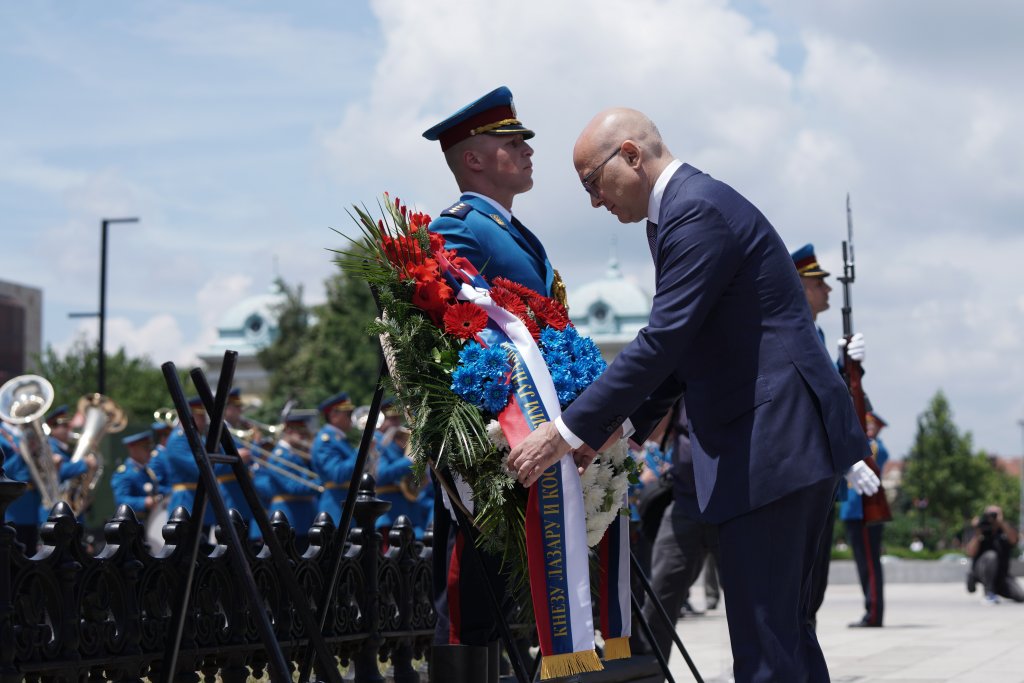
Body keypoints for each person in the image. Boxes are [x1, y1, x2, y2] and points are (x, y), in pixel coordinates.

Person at [508, 107, 871, 682]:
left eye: (592, 182)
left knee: (767, 648)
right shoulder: (680, 214)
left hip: (771, 445)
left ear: (630, 155)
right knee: (783, 639)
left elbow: (664, 341)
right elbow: (688, 349)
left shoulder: (694, 210)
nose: (595, 202)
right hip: (778, 444)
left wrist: (567, 430)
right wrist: (619, 431)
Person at [422, 85, 554, 667]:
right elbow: (454, 330)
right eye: (512, 142)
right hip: (494, 434)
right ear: (473, 159)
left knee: (509, 598)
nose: (527, 150)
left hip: (531, 431)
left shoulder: (509, 229)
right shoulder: (458, 229)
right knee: (473, 598)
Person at [790, 244, 878, 630]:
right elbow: (814, 401)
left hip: (823, 476)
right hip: (805, 475)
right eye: (818, 283)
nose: (827, 289)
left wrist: (846, 365)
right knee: (802, 588)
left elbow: (836, 394)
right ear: (799, 286)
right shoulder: (796, 331)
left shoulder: (817, 331)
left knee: (814, 588)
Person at [841, 410, 890, 625]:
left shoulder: (875, 446)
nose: (868, 428)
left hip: (867, 511)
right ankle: (871, 609)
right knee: (863, 565)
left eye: (872, 425)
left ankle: (874, 613)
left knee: (870, 564)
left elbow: (876, 455)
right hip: (853, 511)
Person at [265, 410, 321, 550]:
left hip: (304, 518)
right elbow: (292, 487)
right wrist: (323, 483)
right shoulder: (279, 455)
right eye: (301, 433)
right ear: (289, 431)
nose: (304, 437)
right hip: (290, 518)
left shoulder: (295, 454)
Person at [311, 392, 357, 528]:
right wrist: (361, 452)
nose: (352, 417)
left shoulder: (339, 439)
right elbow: (337, 474)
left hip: (348, 506)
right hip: (336, 510)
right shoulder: (325, 440)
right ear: (333, 415)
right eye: (348, 413)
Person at [966, 505, 1022, 604]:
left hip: (1002, 574)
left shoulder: (1006, 528)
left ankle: (996, 589)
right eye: (989, 514)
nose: (992, 518)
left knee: (1020, 596)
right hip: (981, 570)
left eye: (995, 514)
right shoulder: (979, 528)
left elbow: (1013, 540)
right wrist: (978, 532)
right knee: (991, 556)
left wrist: (1001, 524)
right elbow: (970, 552)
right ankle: (989, 592)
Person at [110, 431, 161, 522]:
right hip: (133, 523)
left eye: (150, 448)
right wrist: (144, 502)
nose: (149, 451)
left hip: (151, 520)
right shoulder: (124, 473)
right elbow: (121, 500)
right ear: (133, 449)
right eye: (145, 448)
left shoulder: (148, 471)